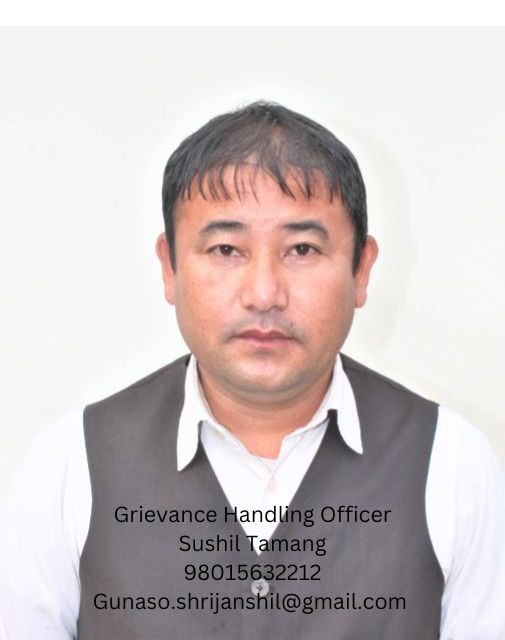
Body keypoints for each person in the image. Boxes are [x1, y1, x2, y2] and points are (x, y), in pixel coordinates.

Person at [1, 100, 504, 639]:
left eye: (302, 249)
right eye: (226, 249)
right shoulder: (69, 465)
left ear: (361, 269)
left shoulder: (453, 465)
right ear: (170, 267)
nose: (264, 293)